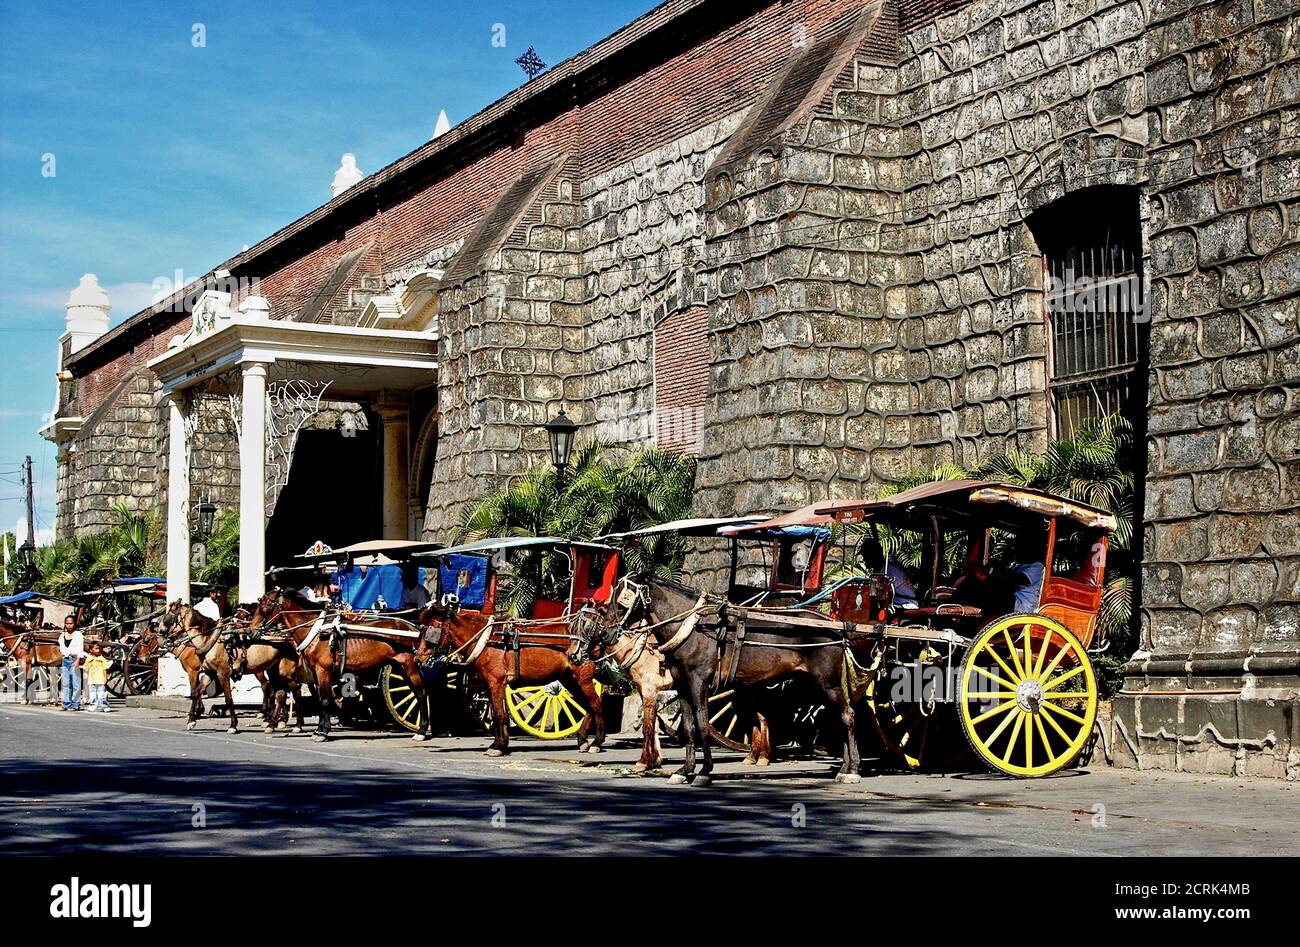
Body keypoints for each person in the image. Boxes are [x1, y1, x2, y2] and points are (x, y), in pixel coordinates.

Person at [57, 615, 84, 711]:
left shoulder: (78, 635)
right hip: (66, 660)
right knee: (66, 683)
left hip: (75, 659)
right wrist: (67, 654)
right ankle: (67, 703)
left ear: (74, 624)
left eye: (71, 623)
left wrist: (77, 660)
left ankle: (76, 704)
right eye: (67, 624)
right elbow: (62, 649)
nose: (69, 625)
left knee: (76, 683)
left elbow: (80, 648)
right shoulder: (61, 636)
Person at [82, 641, 112, 713]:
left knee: (102, 693)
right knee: (92, 694)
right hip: (92, 679)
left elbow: (105, 669)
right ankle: (92, 706)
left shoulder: (102, 659)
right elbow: (86, 667)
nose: (98, 650)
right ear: (91, 650)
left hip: (100, 679)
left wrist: (105, 678)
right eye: (96, 649)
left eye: (98, 648)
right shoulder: (89, 659)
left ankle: (104, 706)